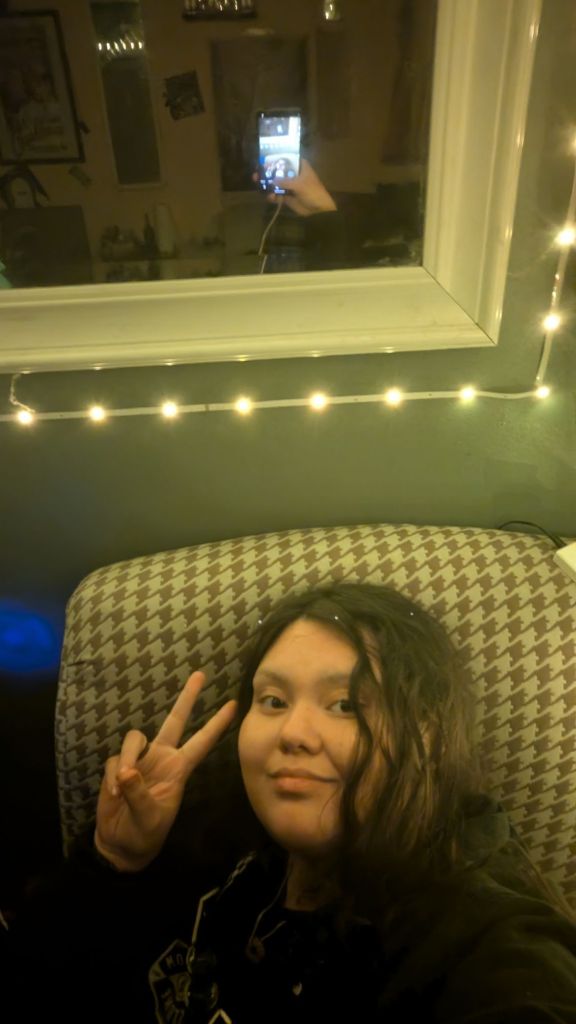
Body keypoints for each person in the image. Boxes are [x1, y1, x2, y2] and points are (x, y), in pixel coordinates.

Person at [7, 583, 576, 1022]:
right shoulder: (214, 839)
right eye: (274, 700)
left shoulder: (479, 941)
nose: (293, 734)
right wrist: (114, 860)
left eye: (346, 705)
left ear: (428, 734)